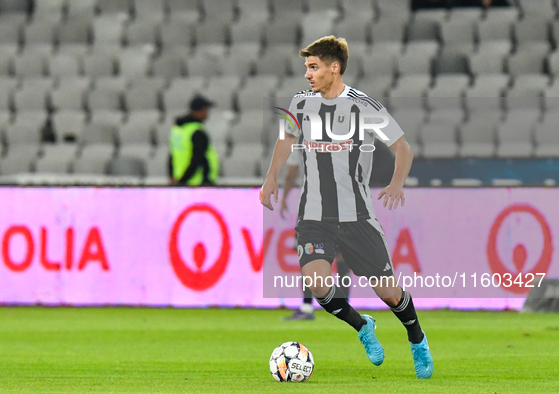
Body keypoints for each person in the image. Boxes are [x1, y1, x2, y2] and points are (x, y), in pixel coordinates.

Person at [260, 36, 433, 379]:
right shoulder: (299, 103)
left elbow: (403, 148)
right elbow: (286, 140)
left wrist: (397, 183)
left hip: (357, 216)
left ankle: (416, 336)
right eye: (306, 67)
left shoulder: (363, 106)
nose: (307, 74)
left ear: (334, 67)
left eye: (314, 67)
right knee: (320, 286)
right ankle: (362, 326)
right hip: (314, 215)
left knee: (388, 290)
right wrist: (271, 178)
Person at [280, 146, 352, 321]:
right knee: (341, 256)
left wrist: (284, 197)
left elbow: (292, 172)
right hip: (341, 203)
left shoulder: (300, 139)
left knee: (308, 256)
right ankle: (344, 307)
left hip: (312, 205)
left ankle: (306, 307)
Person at [169, 95, 220, 186]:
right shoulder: (196, 131)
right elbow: (197, 159)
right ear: (198, 111)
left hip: (181, 179)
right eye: (205, 110)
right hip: (199, 182)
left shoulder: (177, 129)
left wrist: (173, 178)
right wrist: (183, 181)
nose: (207, 113)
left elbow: (172, 155)